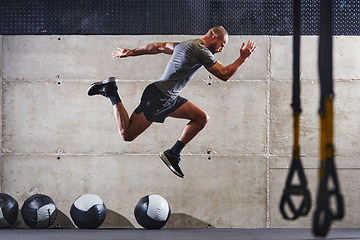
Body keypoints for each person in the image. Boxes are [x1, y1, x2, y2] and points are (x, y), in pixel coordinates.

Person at [88, 26, 256, 178]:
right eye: (222, 45)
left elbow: (158, 46)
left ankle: (173, 154)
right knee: (127, 134)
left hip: (168, 97)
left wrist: (133, 52)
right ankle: (111, 91)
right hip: (159, 98)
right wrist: (243, 58)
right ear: (213, 36)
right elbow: (224, 74)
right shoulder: (201, 50)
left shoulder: (185, 45)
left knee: (201, 118)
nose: (220, 50)